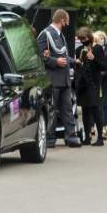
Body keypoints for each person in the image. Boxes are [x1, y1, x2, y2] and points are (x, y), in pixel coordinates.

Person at [37, 9, 79, 147]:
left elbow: (64, 55)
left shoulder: (60, 35)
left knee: (67, 109)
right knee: (52, 109)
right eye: (66, 21)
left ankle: (71, 137)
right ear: (62, 20)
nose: (67, 24)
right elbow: (40, 56)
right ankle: (49, 138)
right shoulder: (46, 34)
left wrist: (75, 62)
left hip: (65, 79)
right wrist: (55, 62)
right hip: (53, 79)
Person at [74, 27, 107, 145]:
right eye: (80, 39)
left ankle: (100, 137)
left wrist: (93, 58)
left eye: (83, 38)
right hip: (83, 85)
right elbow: (77, 68)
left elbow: (104, 66)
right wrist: (78, 63)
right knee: (85, 112)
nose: (82, 41)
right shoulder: (79, 49)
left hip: (94, 84)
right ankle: (87, 137)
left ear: (89, 37)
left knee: (96, 110)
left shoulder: (98, 49)